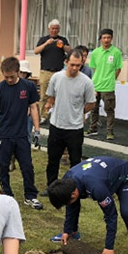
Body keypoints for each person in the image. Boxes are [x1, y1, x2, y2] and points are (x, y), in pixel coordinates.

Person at [47, 156, 128, 254]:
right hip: (106, 176)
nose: (67, 205)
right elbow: (71, 205)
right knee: (72, 204)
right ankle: (73, 233)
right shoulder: (67, 180)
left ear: (74, 194)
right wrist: (67, 230)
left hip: (127, 177)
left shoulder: (96, 187)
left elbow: (111, 215)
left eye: (66, 202)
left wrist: (109, 247)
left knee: (127, 212)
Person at [0, 57, 43, 210]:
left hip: (21, 134)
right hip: (3, 134)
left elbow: (33, 108)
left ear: (19, 72)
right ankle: (7, 195)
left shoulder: (28, 87)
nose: (9, 79)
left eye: (12, 76)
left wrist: (37, 130)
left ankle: (30, 196)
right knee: (3, 167)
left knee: (27, 166)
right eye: (6, 77)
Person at [43, 49, 96, 190]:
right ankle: (51, 187)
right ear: (66, 62)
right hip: (57, 125)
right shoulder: (56, 78)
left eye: (78, 65)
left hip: (75, 128)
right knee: (53, 160)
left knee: (75, 161)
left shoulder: (86, 82)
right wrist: (49, 105)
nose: (74, 68)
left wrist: (80, 112)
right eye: (72, 64)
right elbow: (51, 96)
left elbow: (91, 103)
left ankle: (74, 188)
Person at [88, 28, 123, 140]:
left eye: (108, 37)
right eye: (104, 38)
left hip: (108, 86)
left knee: (109, 110)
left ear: (111, 38)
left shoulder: (116, 52)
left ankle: (109, 132)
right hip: (96, 85)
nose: (106, 40)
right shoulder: (95, 52)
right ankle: (93, 129)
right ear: (100, 39)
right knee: (93, 108)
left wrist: (111, 79)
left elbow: (118, 69)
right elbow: (94, 68)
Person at [34, 19, 71, 119]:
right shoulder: (43, 39)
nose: (54, 30)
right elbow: (36, 51)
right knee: (44, 95)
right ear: (49, 29)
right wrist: (46, 43)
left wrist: (63, 45)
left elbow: (70, 51)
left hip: (59, 72)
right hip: (45, 71)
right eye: (52, 28)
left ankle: (56, 115)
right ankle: (43, 115)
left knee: (59, 95)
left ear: (59, 30)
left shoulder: (62, 39)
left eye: (56, 29)